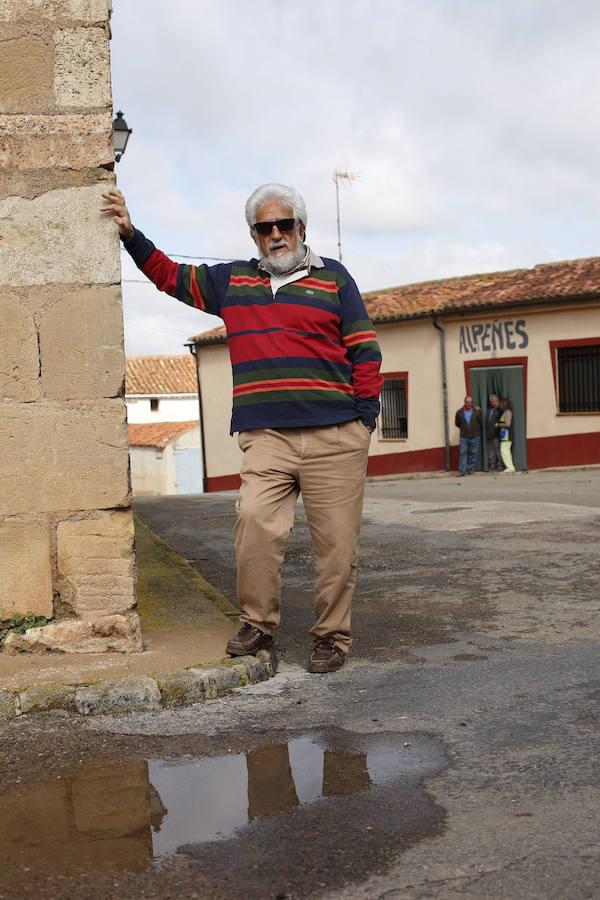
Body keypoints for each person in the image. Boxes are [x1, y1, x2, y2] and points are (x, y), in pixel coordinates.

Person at [102, 183, 383, 674]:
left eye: (284, 224)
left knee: (336, 545)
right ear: (253, 234)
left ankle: (332, 637)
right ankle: (258, 622)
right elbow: (170, 276)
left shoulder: (335, 279)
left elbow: (365, 348)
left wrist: (364, 418)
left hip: (336, 435)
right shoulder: (231, 281)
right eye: (264, 227)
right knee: (253, 524)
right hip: (265, 437)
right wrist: (130, 234)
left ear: (301, 227)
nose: (275, 235)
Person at [454, 395, 482, 476]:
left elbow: (480, 422)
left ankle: (470, 469)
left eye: (471, 402)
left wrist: (474, 428)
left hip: (475, 435)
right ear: (465, 403)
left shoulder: (477, 411)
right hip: (464, 436)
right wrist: (465, 428)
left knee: (473, 453)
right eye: (468, 402)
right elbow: (457, 423)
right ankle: (462, 470)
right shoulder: (459, 412)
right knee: (462, 453)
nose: (469, 404)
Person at [485, 394, 503, 472]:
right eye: (492, 402)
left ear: (498, 401)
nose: (493, 403)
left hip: (497, 434)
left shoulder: (500, 410)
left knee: (498, 450)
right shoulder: (489, 410)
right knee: (491, 450)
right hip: (489, 434)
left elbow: (502, 422)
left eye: (495, 401)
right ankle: (492, 464)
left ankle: (500, 465)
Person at [498, 398, 516, 473]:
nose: (500, 405)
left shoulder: (508, 412)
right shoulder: (505, 412)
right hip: (504, 433)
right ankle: (510, 467)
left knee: (504, 450)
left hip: (507, 434)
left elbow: (508, 424)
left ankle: (510, 467)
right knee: (505, 450)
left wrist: (498, 424)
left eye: (501, 403)